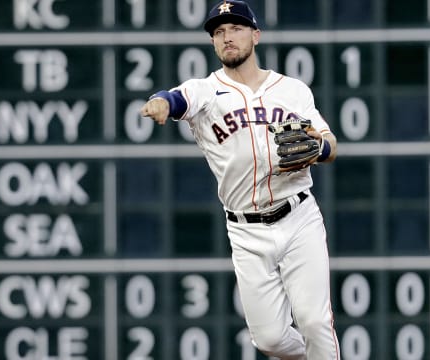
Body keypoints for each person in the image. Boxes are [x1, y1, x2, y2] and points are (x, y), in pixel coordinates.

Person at [140, 0, 340, 358]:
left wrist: (318, 149)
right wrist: (160, 103)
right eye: (219, 32)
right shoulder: (205, 91)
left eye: (235, 28)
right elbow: (174, 99)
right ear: (214, 44)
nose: (227, 37)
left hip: (298, 217)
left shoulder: (292, 90)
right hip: (246, 230)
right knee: (269, 340)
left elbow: (330, 143)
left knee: (313, 322)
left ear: (256, 35)